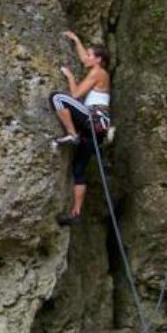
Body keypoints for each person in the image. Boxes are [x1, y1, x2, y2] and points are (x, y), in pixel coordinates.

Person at [49, 30, 111, 226]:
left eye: (91, 55)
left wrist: (69, 76)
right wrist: (76, 40)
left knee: (57, 98)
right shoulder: (101, 70)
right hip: (98, 128)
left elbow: (75, 95)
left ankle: (72, 134)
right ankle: (76, 213)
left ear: (98, 59)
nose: (86, 58)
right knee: (78, 170)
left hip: (91, 120)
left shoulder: (97, 73)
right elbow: (84, 58)